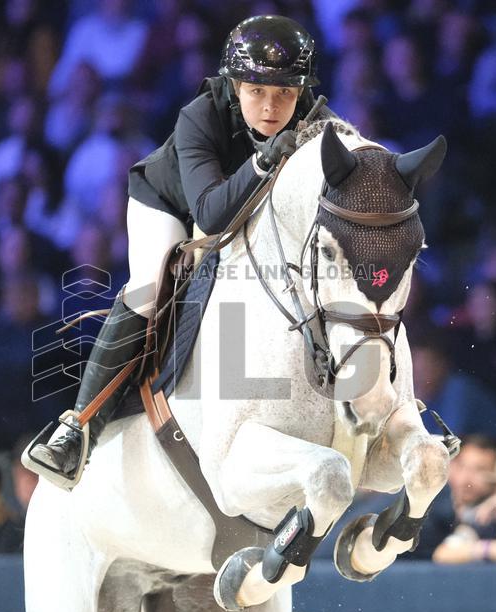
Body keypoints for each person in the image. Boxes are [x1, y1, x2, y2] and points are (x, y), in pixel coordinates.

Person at [24, 15, 333, 483]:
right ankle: (77, 430)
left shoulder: (310, 117)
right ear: (235, 84)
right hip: (171, 206)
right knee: (149, 291)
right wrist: (266, 160)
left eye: (285, 93)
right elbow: (207, 215)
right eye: (257, 92)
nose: (272, 107)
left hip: (247, 213)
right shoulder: (200, 115)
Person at [409, 434, 496, 559]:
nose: (466, 478)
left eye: (480, 470)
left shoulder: (495, 511)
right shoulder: (418, 501)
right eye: (461, 466)